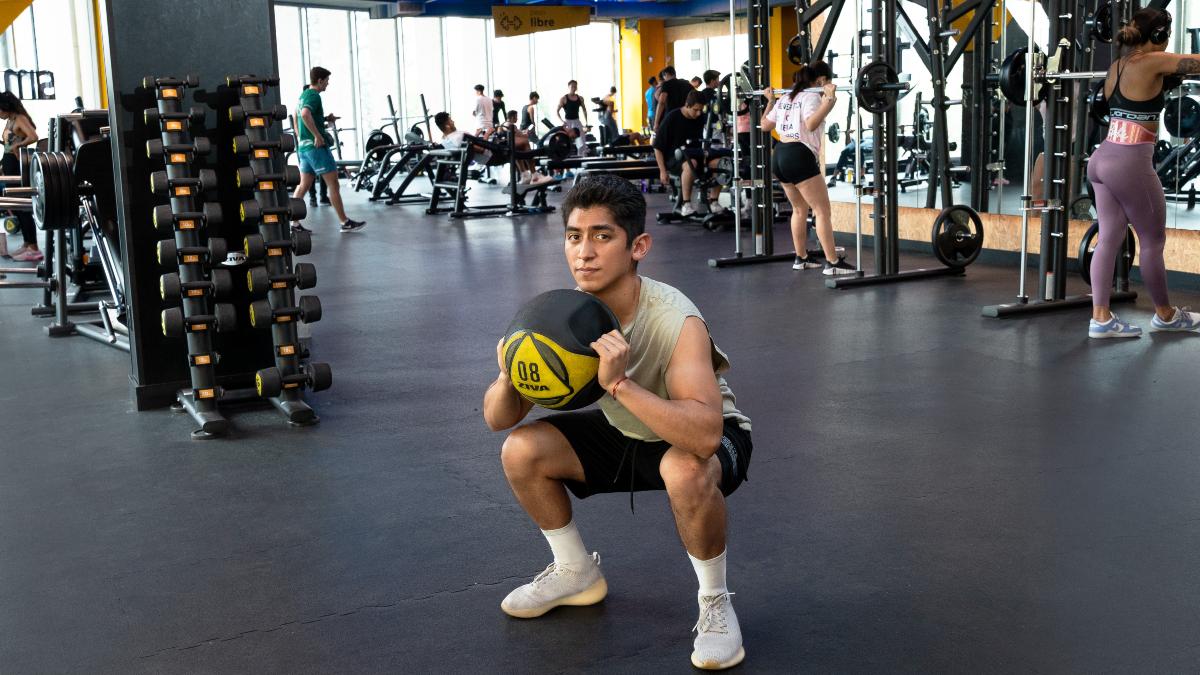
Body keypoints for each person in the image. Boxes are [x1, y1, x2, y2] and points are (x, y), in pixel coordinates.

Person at [484, 173, 753, 671]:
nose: (584, 252)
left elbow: (705, 434)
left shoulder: (675, 319)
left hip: (706, 438)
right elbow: (498, 420)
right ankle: (575, 571)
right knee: (521, 450)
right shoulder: (563, 316)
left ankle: (715, 601)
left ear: (638, 246)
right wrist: (507, 375)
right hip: (628, 431)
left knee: (685, 469)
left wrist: (620, 385)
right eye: (574, 236)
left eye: (602, 236)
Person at [1087, 8, 1200, 338]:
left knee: (1108, 238)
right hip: (1129, 163)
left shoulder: (1117, 66)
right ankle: (1165, 315)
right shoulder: (1152, 62)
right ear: (1159, 36)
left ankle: (1101, 319)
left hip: (1102, 159)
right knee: (1153, 241)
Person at [760, 62, 855, 276]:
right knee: (822, 211)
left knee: (799, 209)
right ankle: (832, 263)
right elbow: (811, 124)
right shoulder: (812, 96)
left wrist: (770, 102)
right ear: (821, 80)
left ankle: (801, 258)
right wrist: (829, 100)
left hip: (780, 154)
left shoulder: (786, 97)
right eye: (827, 81)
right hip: (799, 155)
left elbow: (764, 124)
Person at [291, 67, 365, 233]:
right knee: (333, 184)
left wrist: (323, 120)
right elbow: (304, 114)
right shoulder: (314, 95)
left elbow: (297, 116)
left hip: (304, 148)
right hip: (316, 148)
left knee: (303, 186)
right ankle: (344, 222)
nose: (328, 84)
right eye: (327, 81)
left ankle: (293, 223)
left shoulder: (303, 96)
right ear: (320, 80)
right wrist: (317, 135)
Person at [653, 90, 724, 217]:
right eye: (695, 110)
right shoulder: (672, 117)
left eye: (700, 110)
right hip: (675, 159)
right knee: (692, 163)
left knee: (720, 163)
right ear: (687, 105)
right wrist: (662, 171)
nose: (698, 113)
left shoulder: (700, 117)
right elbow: (657, 147)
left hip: (696, 155)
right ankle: (686, 204)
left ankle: (714, 202)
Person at [0, 92, 40, 261]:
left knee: (21, 205)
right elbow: (9, 143)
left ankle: (34, 248)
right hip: (8, 163)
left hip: (16, 165)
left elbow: (33, 136)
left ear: (5, 108)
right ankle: (27, 243)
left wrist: (18, 145)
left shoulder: (20, 119)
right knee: (15, 206)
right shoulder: (10, 120)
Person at [653, 66, 693, 132]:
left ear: (666, 74)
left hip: (671, 116)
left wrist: (656, 123)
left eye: (664, 77)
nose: (664, 79)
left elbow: (661, 102)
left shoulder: (666, 84)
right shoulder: (687, 84)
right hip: (685, 116)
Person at [558, 80, 589, 156]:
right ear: (569, 87)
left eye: (575, 86)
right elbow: (557, 111)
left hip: (577, 121)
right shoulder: (563, 98)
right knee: (566, 142)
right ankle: (566, 158)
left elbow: (584, 110)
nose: (574, 88)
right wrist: (562, 121)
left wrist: (586, 123)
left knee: (582, 142)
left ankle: (582, 158)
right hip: (568, 122)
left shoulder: (580, 98)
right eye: (572, 86)